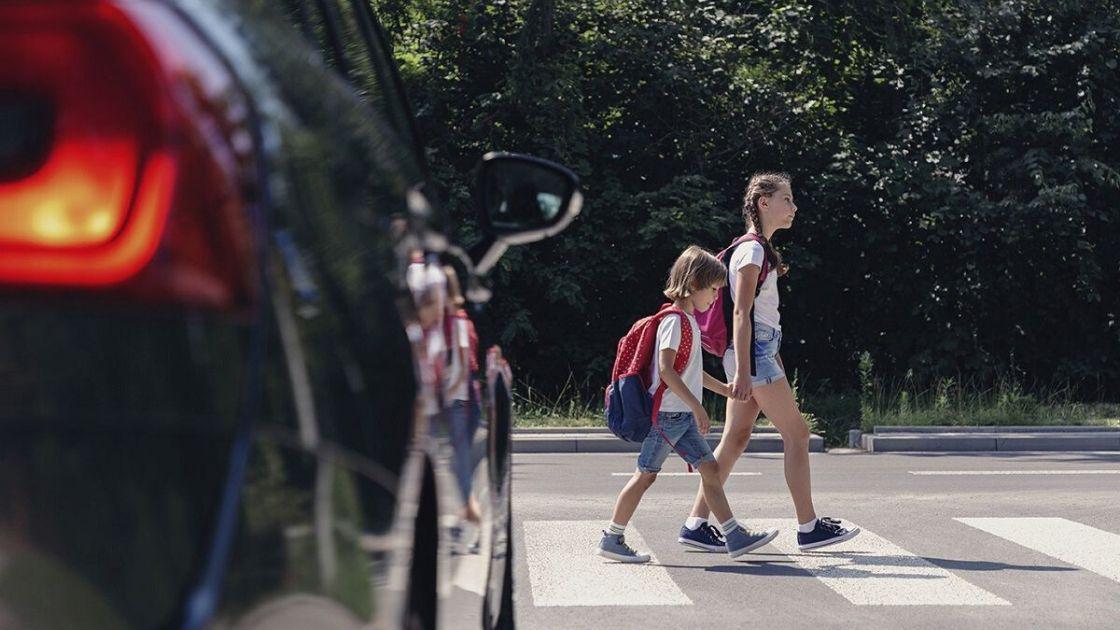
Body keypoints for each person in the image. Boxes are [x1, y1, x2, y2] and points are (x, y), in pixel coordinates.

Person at [680, 172, 860, 552]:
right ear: (764, 203)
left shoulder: (756, 250)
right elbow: (741, 314)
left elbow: (758, 316)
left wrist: (763, 357)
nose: (793, 207)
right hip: (752, 354)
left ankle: (696, 524)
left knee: (735, 438)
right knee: (797, 436)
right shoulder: (752, 251)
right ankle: (809, 527)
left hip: (758, 352)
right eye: (787, 200)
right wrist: (746, 370)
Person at [598, 246, 779, 563]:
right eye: (712, 290)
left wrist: (722, 389)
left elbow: (691, 371)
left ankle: (733, 535)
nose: (714, 298)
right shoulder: (674, 321)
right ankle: (613, 537)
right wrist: (697, 406)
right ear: (694, 284)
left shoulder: (688, 322)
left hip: (679, 416)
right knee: (645, 475)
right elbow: (667, 370)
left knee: (710, 469)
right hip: (668, 416)